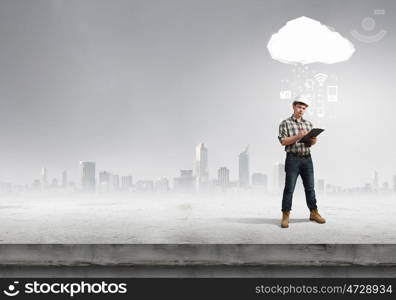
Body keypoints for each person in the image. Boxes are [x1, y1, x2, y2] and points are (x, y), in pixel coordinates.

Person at [277, 96, 326, 228]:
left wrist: (313, 141)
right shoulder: (285, 123)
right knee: (289, 189)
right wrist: (298, 136)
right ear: (293, 106)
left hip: (307, 159)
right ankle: (285, 215)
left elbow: (309, 144)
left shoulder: (308, 124)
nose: (301, 110)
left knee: (310, 188)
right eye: (299, 107)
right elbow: (283, 141)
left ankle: (314, 213)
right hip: (292, 159)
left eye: (304, 108)